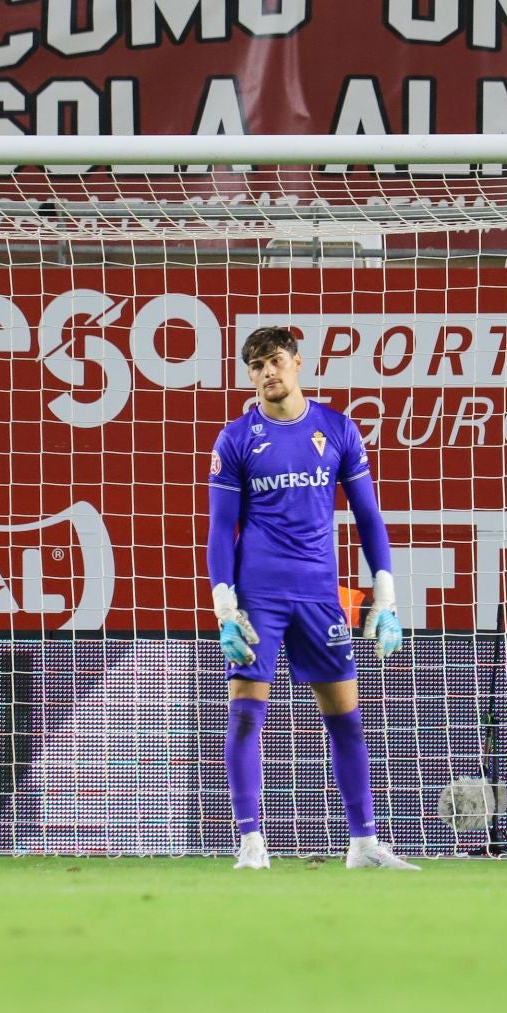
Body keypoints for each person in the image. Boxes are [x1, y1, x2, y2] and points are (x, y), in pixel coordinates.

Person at [206, 326, 416, 871]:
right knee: (247, 717)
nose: (266, 373)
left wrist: (386, 599)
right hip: (260, 598)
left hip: (321, 595)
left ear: (297, 363)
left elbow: (369, 517)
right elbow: (219, 530)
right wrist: (226, 611)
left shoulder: (338, 429)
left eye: (274, 360)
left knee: (345, 718)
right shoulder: (235, 440)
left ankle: (364, 844)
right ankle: (251, 842)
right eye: (255, 366)